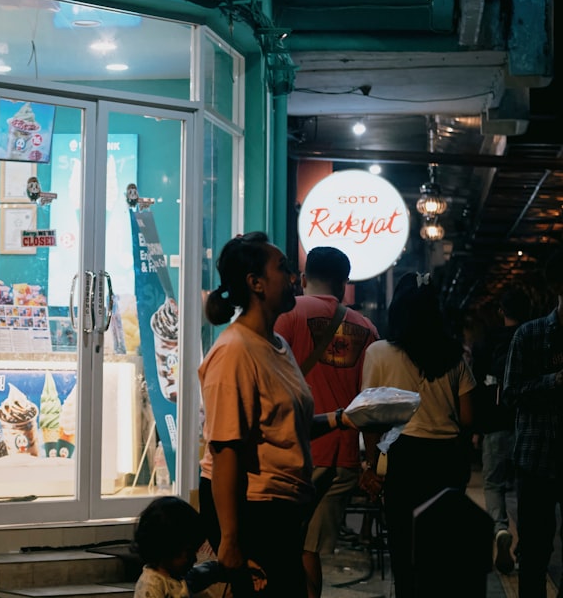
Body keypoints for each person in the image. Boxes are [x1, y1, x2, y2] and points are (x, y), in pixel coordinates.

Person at [198, 232, 354, 598]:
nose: (294, 276)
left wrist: (341, 419)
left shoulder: (277, 344)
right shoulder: (235, 352)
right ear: (255, 283)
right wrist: (231, 541)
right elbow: (226, 451)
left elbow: (283, 428)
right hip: (254, 509)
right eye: (282, 268)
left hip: (283, 508)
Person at [360, 272, 475, 598]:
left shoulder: (379, 353)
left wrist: (371, 464)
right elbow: (468, 417)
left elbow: (369, 416)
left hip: (402, 456)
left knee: (402, 546)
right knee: (440, 549)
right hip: (446, 457)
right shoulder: (454, 355)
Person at [274, 246, 379, 598]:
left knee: (283, 546)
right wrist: (373, 462)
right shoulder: (366, 330)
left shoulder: (286, 316)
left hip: (291, 452)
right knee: (309, 550)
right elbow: (371, 403)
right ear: (345, 284)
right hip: (341, 458)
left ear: (303, 278)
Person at [502, 251, 563, 598]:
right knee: (536, 550)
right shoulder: (531, 334)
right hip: (537, 459)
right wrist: (552, 381)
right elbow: (511, 393)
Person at [471, 287, 530, 574]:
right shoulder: (535, 338)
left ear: (502, 312)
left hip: (494, 424)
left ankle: (500, 528)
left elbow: (478, 388)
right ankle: (527, 541)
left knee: (493, 483)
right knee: (525, 485)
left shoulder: (488, 342)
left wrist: (477, 428)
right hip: (528, 425)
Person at [132, 496, 226, 598]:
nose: (194, 559)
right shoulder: (152, 585)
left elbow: (208, 571)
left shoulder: (181, 575)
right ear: (166, 550)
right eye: (189, 553)